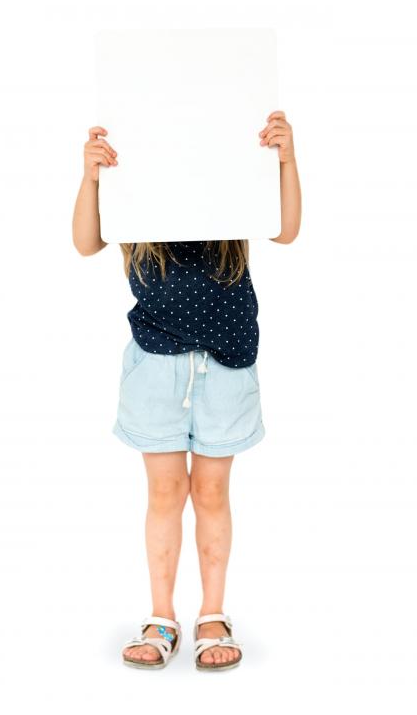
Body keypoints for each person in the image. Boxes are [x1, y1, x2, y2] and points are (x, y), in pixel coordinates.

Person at [72, 111, 301, 671]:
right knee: (166, 494)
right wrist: (93, 177)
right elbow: (85, 243)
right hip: (156, 368)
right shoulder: (139, 208)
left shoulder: (232, 195)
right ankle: (160, 616)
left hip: (226, 365)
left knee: (213, 494)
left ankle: (213, 612)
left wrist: (286, 159)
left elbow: (287, 228)